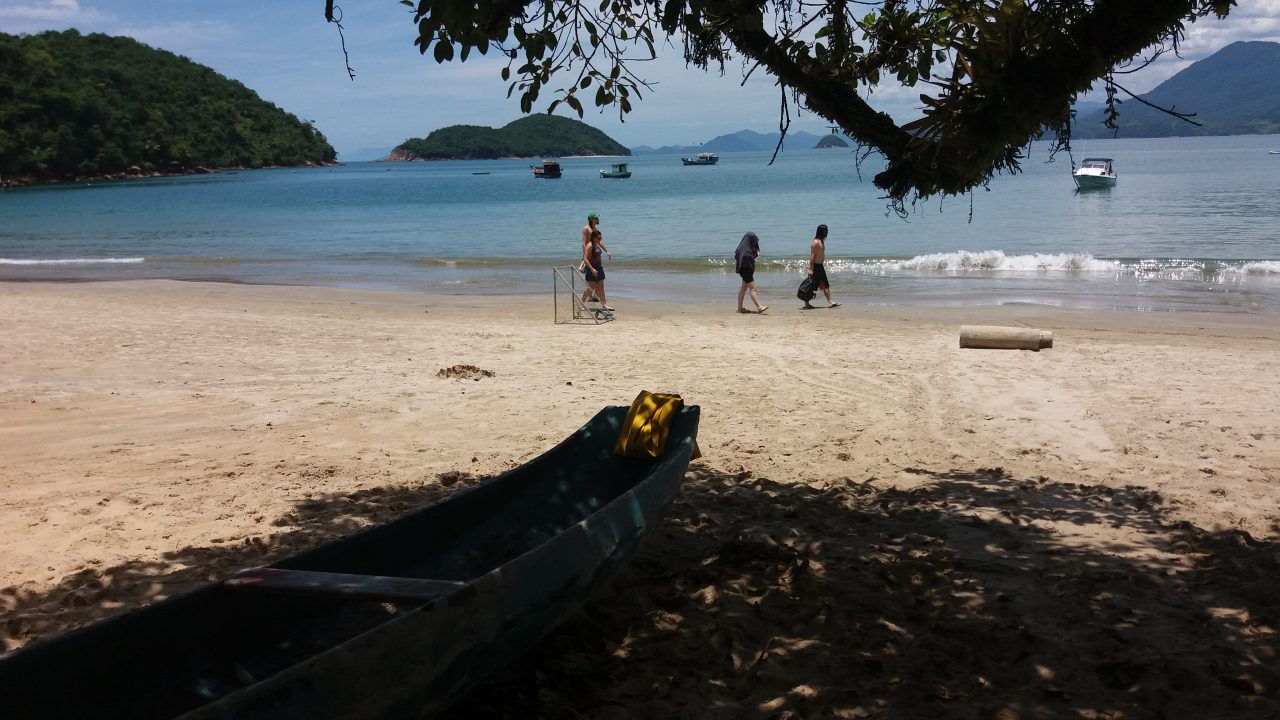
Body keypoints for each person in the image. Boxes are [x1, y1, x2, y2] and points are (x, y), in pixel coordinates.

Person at [803, 223, 841, 309]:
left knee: (824, 284)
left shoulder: (821, 241)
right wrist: (811, 269)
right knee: (811, 285)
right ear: (822, 231)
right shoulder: (816, 242)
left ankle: (830, 302)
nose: (827, 232)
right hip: (816, 267)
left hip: (820, 266)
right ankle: (806, 303)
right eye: (826, 231)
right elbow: (812, 256)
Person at [734, 231, 768, 314]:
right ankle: (759, 307)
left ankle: (740, 308)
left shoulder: (741, 248)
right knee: (753, 288)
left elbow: (737, 257)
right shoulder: (747, 252)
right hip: (746, 271)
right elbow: (749, 264)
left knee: (743, 288)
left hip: (742, 270)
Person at [581, 227, 614, 311]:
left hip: (599, 268)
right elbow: (585, 259)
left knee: (601, 287)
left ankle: (604, 305)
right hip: (591, 269)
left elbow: (601, 244)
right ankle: (582, 304)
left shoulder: (596, 243)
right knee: (591, 288)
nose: (600, 239)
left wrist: (607, 251)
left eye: (601, 238)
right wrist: (592, 269)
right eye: (599, 238)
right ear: (594, 237)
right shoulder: (590, 246)